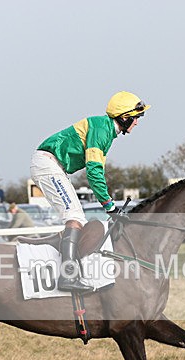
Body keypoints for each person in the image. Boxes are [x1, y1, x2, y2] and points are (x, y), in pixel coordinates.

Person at [30, 91, 150, 291]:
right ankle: (67, 276)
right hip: (47, 164)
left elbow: (95, 172)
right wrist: (110, 206)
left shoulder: (105, 130)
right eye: (136, 117)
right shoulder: (102, 130)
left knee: (79, 220)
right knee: (75, 217)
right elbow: (94, 173)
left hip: (52, 165)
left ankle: (71, 271)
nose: (137, 122)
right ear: (125, 117)